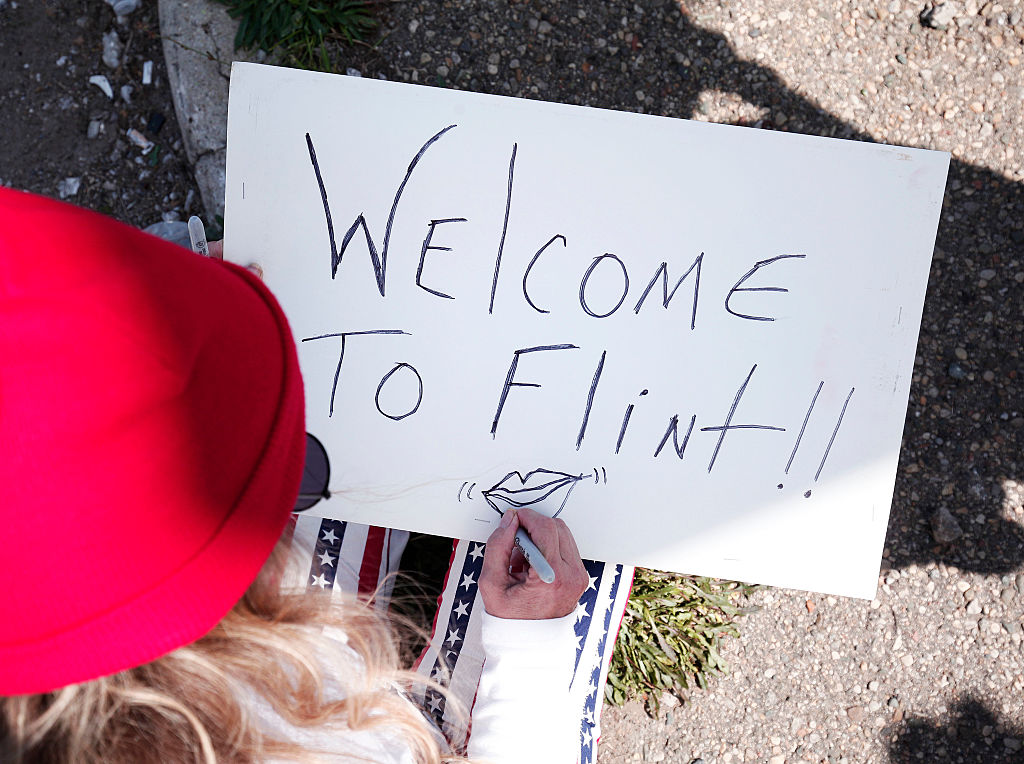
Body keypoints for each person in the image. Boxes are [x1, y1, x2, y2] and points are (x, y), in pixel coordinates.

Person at [0, 186, 591, 763]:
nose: (296, 476)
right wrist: (531, 655)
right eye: (295, 467)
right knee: (567, 546)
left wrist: (192, 289)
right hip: (367, 727)